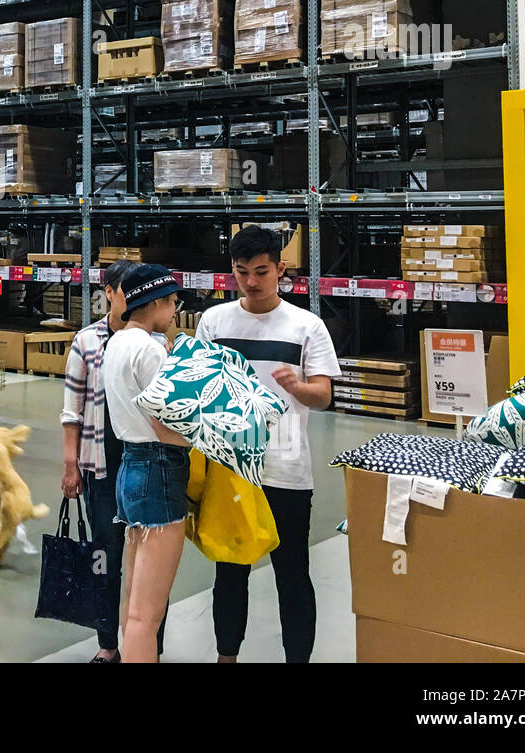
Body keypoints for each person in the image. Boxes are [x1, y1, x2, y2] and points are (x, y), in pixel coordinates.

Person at [195, 225, 339, 664]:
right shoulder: (214, 322)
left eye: (261, 271)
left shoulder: (305, 326)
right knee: (230, 571)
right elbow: (197, 385)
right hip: (231, 469)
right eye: (242, 273)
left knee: (292, 575)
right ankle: (226, 657)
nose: (252, 282)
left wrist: (297, 386)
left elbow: (324, 394)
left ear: (281, 268)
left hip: (286, 469)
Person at [60, 259, 166, 663]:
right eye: (126, 290)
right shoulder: (87, 342)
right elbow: (72, 409)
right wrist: (71, 465)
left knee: (150, 565)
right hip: (101, 467)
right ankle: (108, 644)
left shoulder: (157, 343)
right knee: (105, 557)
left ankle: (150, 644)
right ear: (109, 293)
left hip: (145, 466)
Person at [101, 264, 190, 664]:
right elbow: (164, 422)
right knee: (146, 616)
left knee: (133, 603)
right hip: (159, 469)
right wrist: (205, 440)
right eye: (172, 302)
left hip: (130, 467)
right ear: (154, 301)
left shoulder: (116, 342)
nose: (175, 310)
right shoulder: (151, 348)